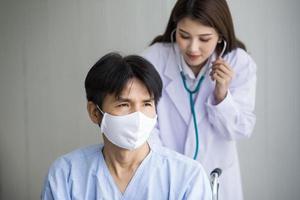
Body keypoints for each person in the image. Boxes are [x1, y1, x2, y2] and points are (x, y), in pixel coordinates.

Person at [41, 53, 212, 200]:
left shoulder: (187, 176)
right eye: (124, 104)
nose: (138, 116)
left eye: (146, 104)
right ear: (95, 112)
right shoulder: (67, 174)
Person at [141, 0, 257, 199]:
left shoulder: (239, 62)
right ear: (175, 28)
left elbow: (240, 129)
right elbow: (145, 126)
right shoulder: (152, 60)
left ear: (220, 35)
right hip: (166, 178)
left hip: (216, 180)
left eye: (204, 39)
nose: (193, 48)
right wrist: (169, 170)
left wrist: (222, 95)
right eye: (184, 36)